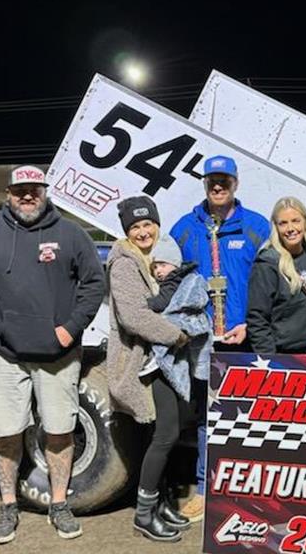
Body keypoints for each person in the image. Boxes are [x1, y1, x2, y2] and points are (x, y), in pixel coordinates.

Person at [0, 165, 106, 544]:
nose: (28, 196)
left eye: (35, 189)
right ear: (8, 194)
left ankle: (60, 503)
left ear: (45, 192)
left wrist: (70, 329)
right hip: (7, 355)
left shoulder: (70, 233)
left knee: (59, 431)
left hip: (58, 356)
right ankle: (7, 504)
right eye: (20, 191)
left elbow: (94, 283)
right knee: (8, 433)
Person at [169, 155, 270, 521]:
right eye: (212, 179)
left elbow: (269, 283)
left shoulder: (257, 227)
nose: (218, 185)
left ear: (235, 183)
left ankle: (249, 489)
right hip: (202, 343)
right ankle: (205, 488)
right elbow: (170, 282)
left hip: (245, 338)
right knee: (207, 417)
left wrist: (249, 324)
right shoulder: (183, 228)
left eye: (224, 179)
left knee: (251, 416)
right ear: (205, 183)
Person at [106, 196, 194, 542]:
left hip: (160, 360)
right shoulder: (124, 264)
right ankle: (144, 514)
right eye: (135, 227)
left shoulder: (155, 259)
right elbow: (133, 316)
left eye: (148, 225)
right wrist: (177, 335)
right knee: (164, 435)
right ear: (127, 231)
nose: (143, 232)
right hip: (142, 362)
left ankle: (160, 504)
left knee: (165, 433)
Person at [247, 197, 306, 354]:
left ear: (305, 223)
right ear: (276, 228)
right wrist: (270, 360)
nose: (290, 228)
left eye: (295, 221)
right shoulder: (267, 263)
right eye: (283, 223)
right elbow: (257, 318)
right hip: (285, 355)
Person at [146, 233, 212, 406]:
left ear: (174, 264)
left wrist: (143, 304)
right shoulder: (172, 279)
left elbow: (164, 303)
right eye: (154, 267)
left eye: (162, 265)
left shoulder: (173, 282)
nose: (158, 271)